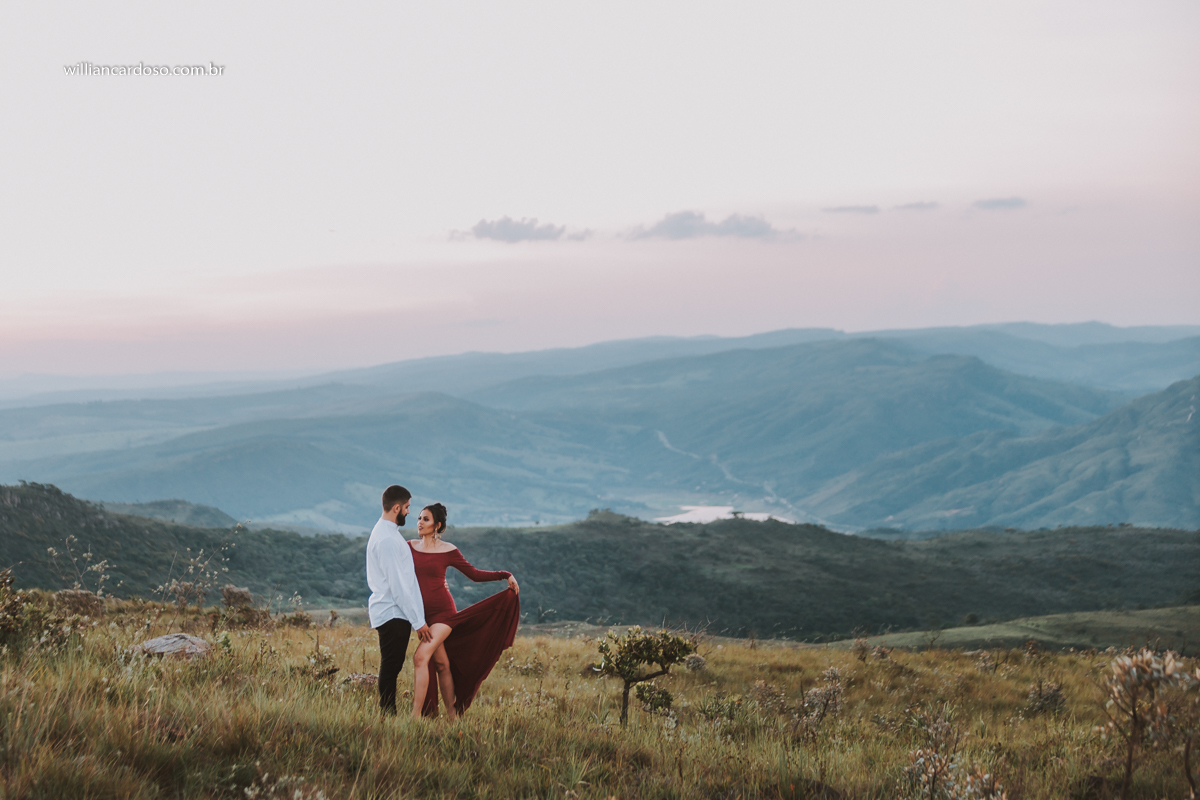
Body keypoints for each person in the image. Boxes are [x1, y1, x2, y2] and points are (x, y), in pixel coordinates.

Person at [409, 502, 521, 719]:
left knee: (421, 657)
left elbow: (475, 574)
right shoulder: (408, 547)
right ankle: (453, 716)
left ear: (437, 525)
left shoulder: (448, 551)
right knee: (442, 664)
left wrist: (504, 574)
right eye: (419, 518)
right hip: (420, 615)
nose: (420, 523)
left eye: (426, 519)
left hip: (443, 614)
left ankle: (415, 718)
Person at [365, 484, 432, 714]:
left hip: (393, 611)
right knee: (391, 667)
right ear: (396, 508)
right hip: (393, 612)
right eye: (407, 507)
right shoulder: (387, 541)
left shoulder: (387, 534)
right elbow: (398, 587)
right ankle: (387, 714)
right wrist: (418, 621)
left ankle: (388, 713)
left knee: (392, 666)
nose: (408, 512)